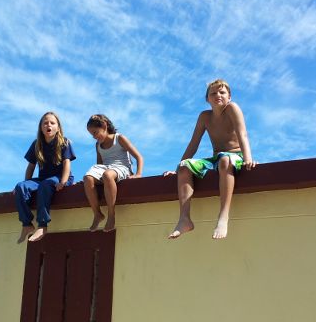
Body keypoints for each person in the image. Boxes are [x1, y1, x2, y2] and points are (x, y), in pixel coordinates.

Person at [164, 79, 256, 240]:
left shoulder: (232, 108)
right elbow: (193, 144)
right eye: (213, 93)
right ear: (207, 99)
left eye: (222, 92)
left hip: (235, 156)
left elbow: (242, 134)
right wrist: (178, 168)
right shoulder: (204, 116)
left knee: (225, 160)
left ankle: (223, 217)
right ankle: (184, 219)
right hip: (217, 158)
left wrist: (248, 158)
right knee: (185, 166)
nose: (218, 95)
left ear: (229, 97)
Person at [14, 111, 76, 243]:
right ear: (41, 128)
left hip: (60, 177)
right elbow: (31, 167)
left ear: (58, 127)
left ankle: (42, 225)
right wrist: (26, 186)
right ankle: (26, 224)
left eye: (52, 123)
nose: (49, 125)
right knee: (20, 187)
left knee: (45, 184)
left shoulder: (64, 142)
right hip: (43, 179)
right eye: (45, 123)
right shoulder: (37, 144)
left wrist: (63, 182)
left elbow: (67, 164)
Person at [83, 114, 144, 232]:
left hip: (122, 167)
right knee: (88, 178)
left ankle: (111, 215)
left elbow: (139, 157)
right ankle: (97, 214)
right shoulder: (98, 145)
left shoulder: (119, 138)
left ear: (104, 126)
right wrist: (91, 180)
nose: (94, 137)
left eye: (95, 132)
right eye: (92, 135)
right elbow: (99, 164)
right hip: (105, 168)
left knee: (107, 175)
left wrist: (138, 174)